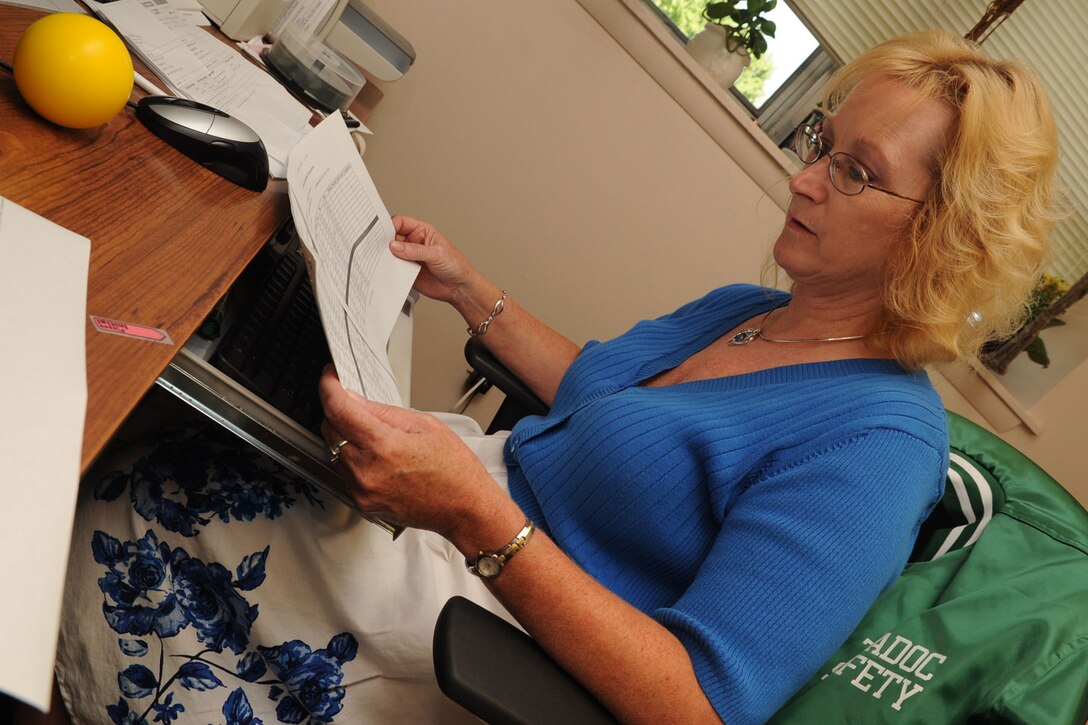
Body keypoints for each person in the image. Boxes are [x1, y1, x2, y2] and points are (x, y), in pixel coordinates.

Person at [46, 29, 1057, 725]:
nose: (800, 175)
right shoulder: (755, 313)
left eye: (852, 170)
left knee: (117, 484)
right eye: (819, 142)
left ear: (942, 236)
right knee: (173, 419)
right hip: (455, 514)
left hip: (474, 616)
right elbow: (606, 398)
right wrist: (472, 291)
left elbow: (701, 699)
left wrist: (479, 519)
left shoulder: (877, 446)